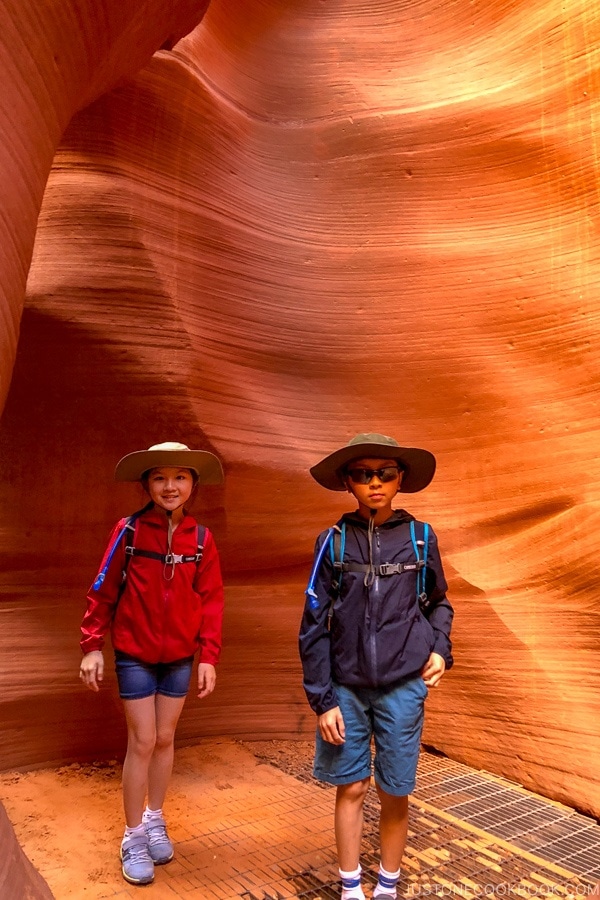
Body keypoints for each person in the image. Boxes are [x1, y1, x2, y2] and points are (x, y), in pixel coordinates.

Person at [299, 433, 454, 900]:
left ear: (400, 479)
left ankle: (386, 886)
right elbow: (313, 624)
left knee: (395, 789)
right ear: (348, 482)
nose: (374, 483)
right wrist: (322, 700)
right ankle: (351, 887)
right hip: (345, 689)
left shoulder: (420, 538)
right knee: (351, 787)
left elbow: (439, 603)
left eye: (384, 473)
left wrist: (440, 649)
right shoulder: (332, 542)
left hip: (403, 686)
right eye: (362, 474)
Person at [79, 441, 225, 887]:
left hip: (180, 656)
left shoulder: (200, 539)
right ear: (146, 484)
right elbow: (102, 588)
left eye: (180, 477)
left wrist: (209, 655)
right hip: (135, 654)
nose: (170, 486)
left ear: (193, 485)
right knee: (142, 740)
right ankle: (133, 835)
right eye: (160, 477)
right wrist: (91, 645)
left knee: (164, 738)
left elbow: (212, 600)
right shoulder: (127, 531)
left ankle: (155, 817)